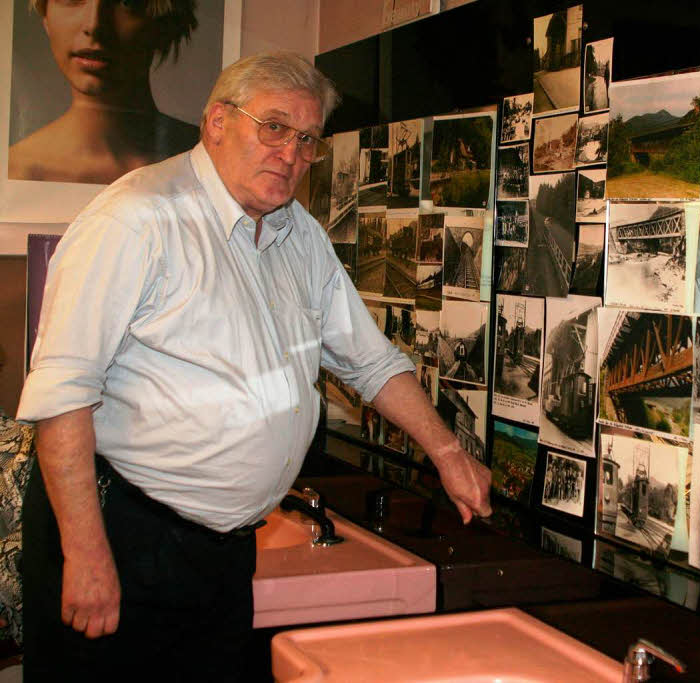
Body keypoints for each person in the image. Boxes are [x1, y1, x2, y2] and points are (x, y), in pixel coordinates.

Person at [15, 51, 492, 681]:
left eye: (306, 139)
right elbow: (62, 398)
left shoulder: (302, 235)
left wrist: (448, 454)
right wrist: (86, 553)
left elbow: (371, 361)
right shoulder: (135, 219)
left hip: (223, 552)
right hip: (120, 531)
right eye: (273, 127)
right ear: (216, 123)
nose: (290, 153)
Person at [9, 0, 201, 184]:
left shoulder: (209, 158)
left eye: (128, 2)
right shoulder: (15, 170)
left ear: (165, 25)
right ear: (46, 18)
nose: (94, 25)